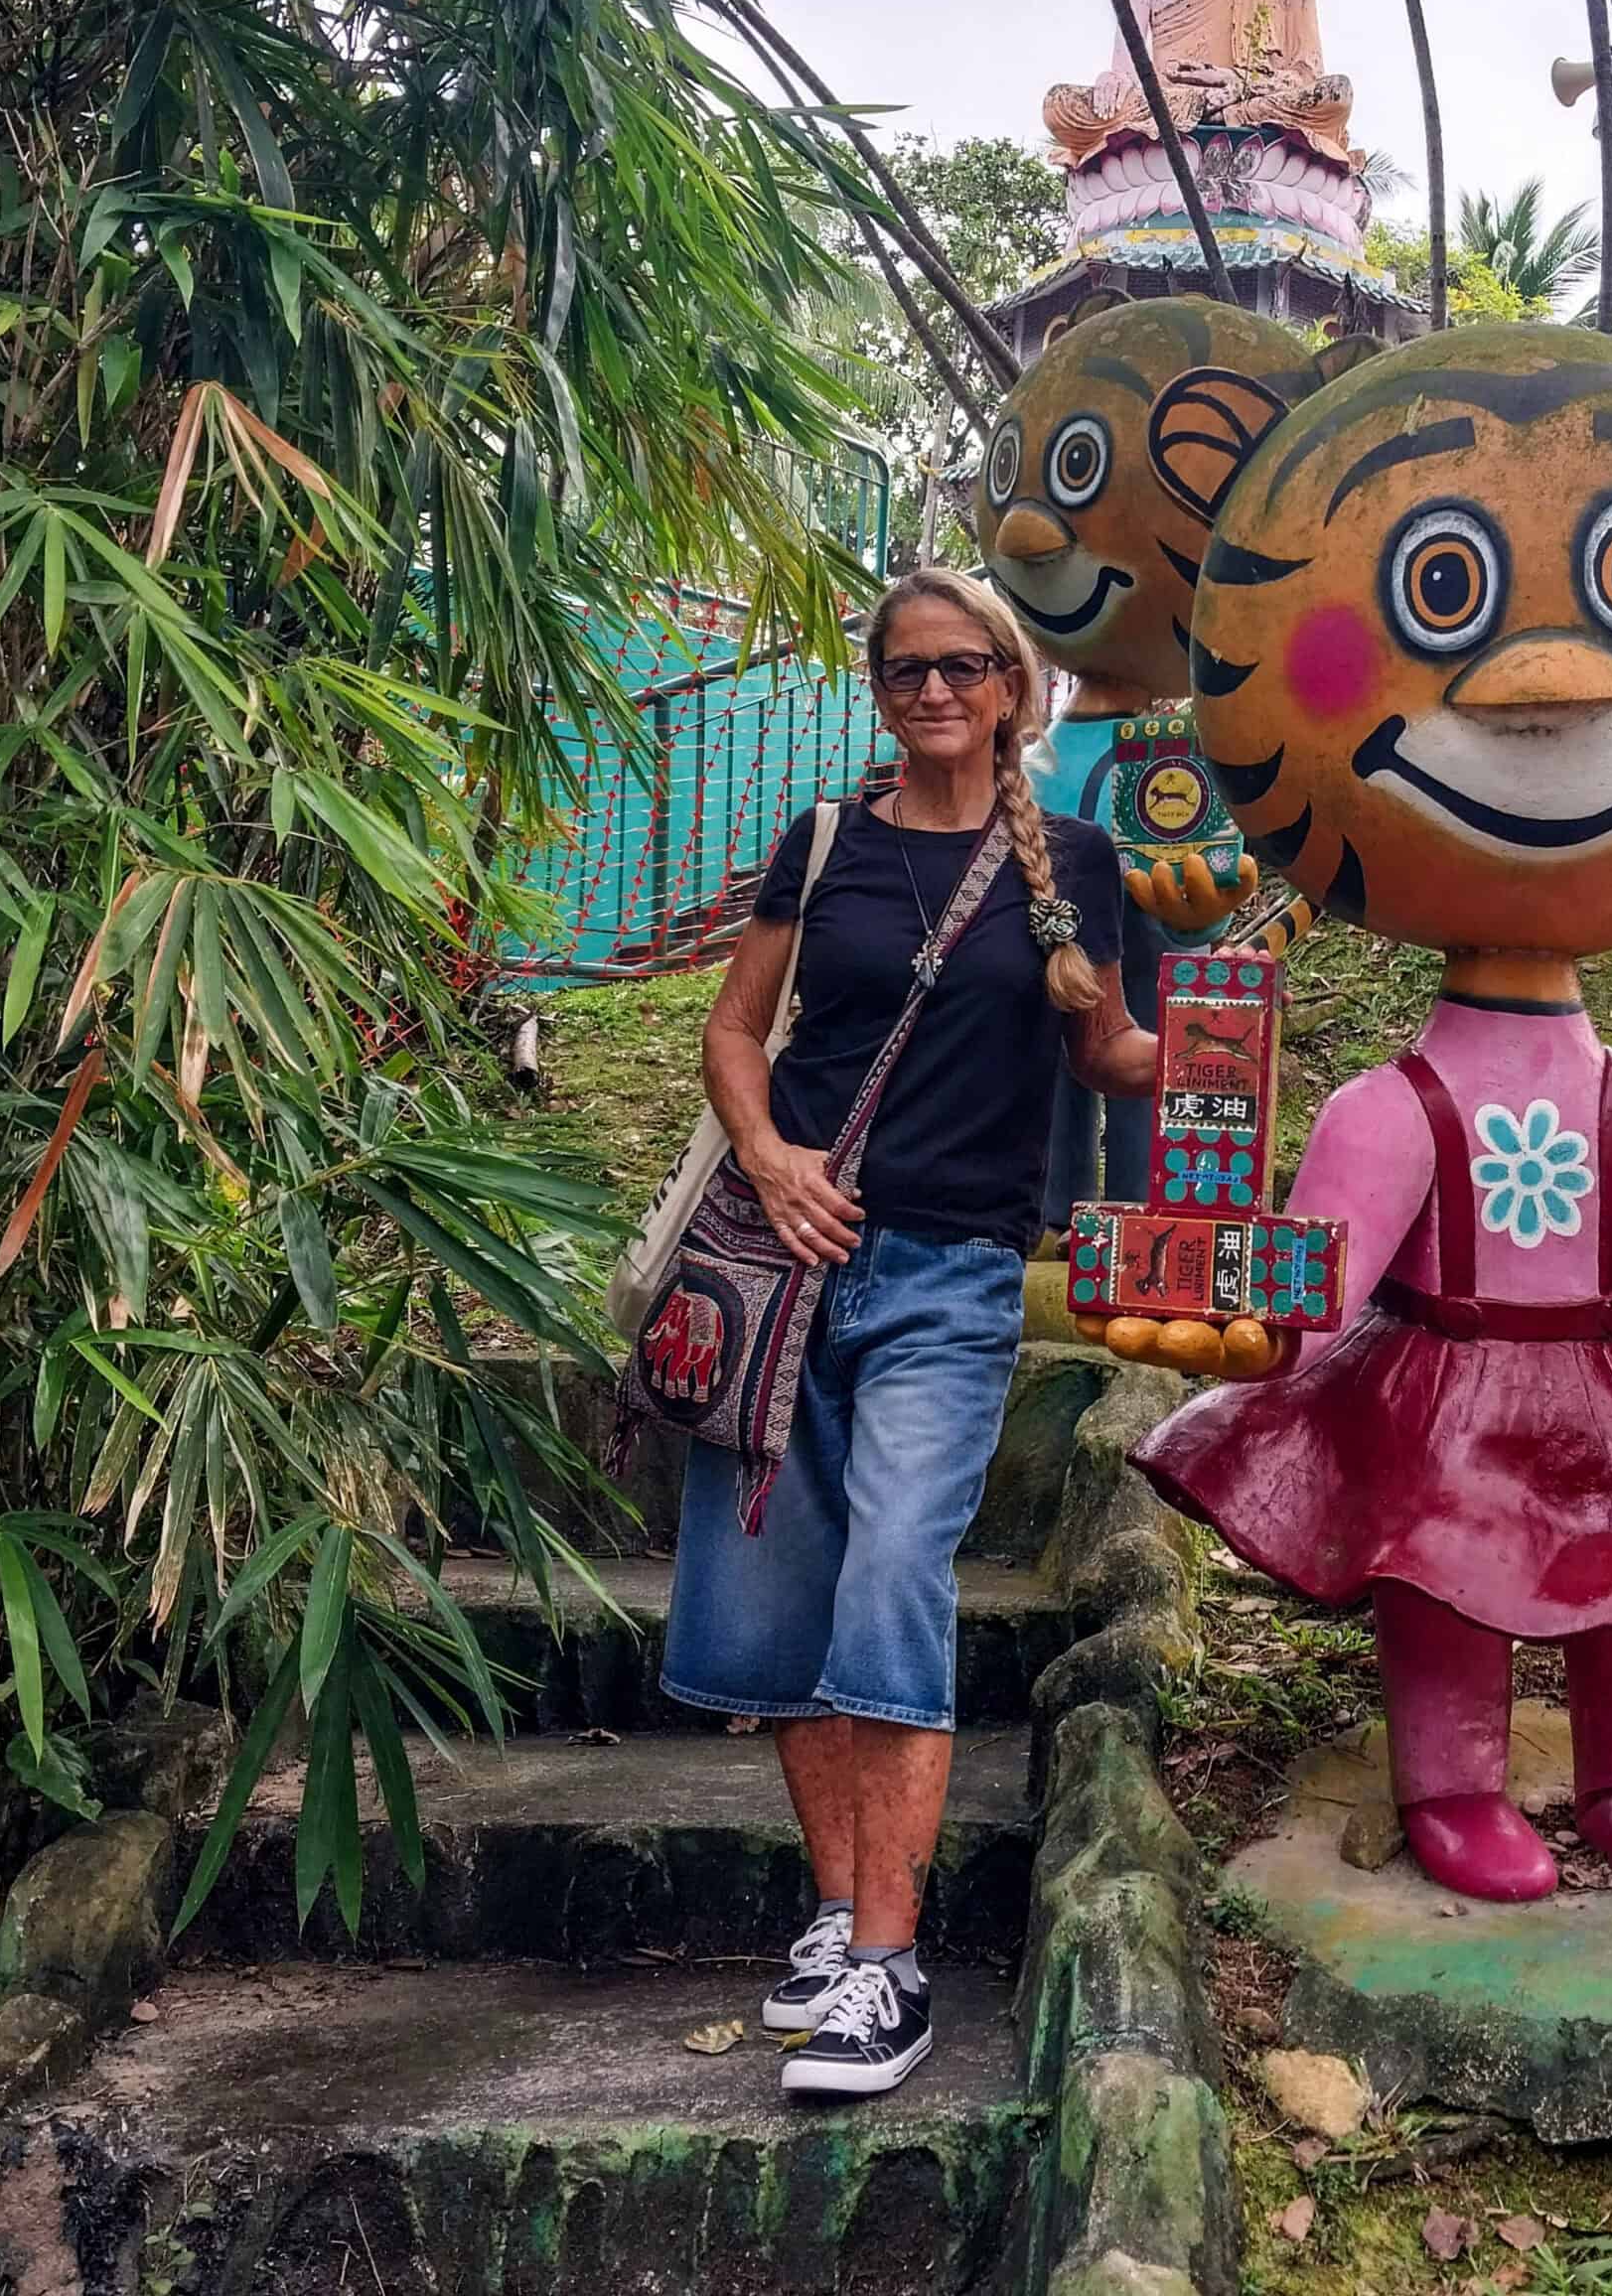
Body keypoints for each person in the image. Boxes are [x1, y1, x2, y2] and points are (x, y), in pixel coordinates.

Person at [664, 567, 1151, 2093]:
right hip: (787, 1263)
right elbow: (736, 1031)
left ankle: (890, 1966)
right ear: (881, 692)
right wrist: (767, 1157)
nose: (932, 692)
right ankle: (831, 1918)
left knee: (893, 1569)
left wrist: (1196, 1040)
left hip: (950, 1275)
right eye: (903, 672)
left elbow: (1110, 1043)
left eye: (960, 668)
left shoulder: (1073, 860)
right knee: (785, 1597)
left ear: (1012, 685)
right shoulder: (823, 846)